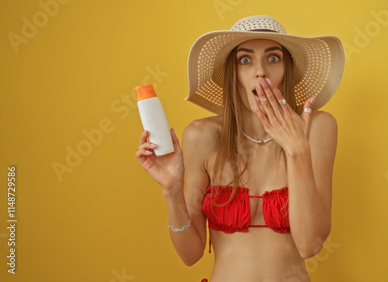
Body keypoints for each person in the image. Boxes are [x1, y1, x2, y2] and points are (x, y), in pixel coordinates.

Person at [135, 15, 344, 282]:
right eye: (245, 60)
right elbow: (190, 255)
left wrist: (297, 150)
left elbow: (309, 245)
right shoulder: (202, 136)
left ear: (287, 70)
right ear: (233, 75)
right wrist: (171, 189)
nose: (261, 72)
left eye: (273, 58)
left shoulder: (317, 129)